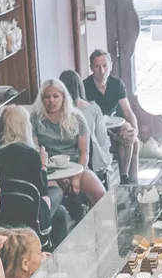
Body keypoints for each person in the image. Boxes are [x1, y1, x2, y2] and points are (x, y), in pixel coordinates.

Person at [0, 105, 70, 246]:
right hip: (29, 216)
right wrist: (43, 164)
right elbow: (44, 195)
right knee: (57, 193)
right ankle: (54, 256)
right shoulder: (30, 154)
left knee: (61, 212)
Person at [31, 79, 107, 214]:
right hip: (50, 171)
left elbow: (84, 152)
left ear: (63, 97)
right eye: (47, 97)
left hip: (76, 167)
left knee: (100, 194)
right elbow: (35, 150)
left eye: (55, 96)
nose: (51, 101)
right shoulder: (35, 119)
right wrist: (58, 176)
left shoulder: (77, 118)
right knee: (53, 197)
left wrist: (76, 177)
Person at [79, 51, 139, 182]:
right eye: (97, 66)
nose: (101, 70)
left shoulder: (116, 84)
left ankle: (126, 178)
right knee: (129, 138)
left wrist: (135, 131)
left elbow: (128, 112)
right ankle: (123, 179)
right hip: (94, 130)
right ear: (91, 68)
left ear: (110, 66)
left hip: (114, 125)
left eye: (105, 65)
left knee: (130, 133)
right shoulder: (85, 86)